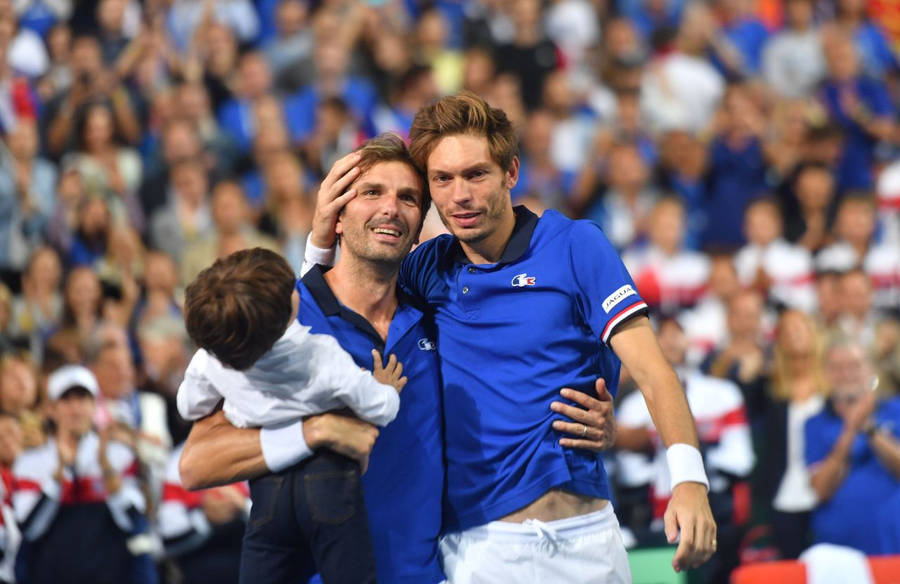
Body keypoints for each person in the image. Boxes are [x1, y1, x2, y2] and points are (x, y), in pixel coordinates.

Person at [306, 92, 716, 579]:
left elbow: (654, 372)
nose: (460, 195)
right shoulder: (425, 269)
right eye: (443, 179)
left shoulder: (575, 245)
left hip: (587, 542)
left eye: (476, 174)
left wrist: (689, 481)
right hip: (479, 553)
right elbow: (335, 301)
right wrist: (319, 240)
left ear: (511, 173)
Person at [179, 134, 616, 583]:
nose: (391, 208)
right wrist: (316, 431)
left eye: (408, 198)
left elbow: (520, 372)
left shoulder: (439, 315)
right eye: (372, 192)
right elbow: (197, 463)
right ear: (338, 213)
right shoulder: (284, 319)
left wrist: (600, 418)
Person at [178, 246, 407, 584]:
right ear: (292, 303)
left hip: (268, 491)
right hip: (330, 480)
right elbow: (381, 408)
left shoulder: (213, 359)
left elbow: (190, 406)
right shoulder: (322, 356)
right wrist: (385, 387)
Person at [11, 364, 156, 584]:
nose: (75, 408)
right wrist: (58, 477)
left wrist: (107, 471)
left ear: (95, 404)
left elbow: (134, 524)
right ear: (50, 408)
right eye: (66, 400)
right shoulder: (30, 463)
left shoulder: (119, 456)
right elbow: (29, 530)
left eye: (82, 398)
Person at [805, 336, 900, 554]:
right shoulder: (815, 423)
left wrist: (867, 426)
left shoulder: (896, 409)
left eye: (854, 365)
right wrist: (849, 429)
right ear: (826, 375)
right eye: (837, 368)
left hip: (893, 544)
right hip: (838, 549)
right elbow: (821, 490)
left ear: (871, 370)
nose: (846, 374)